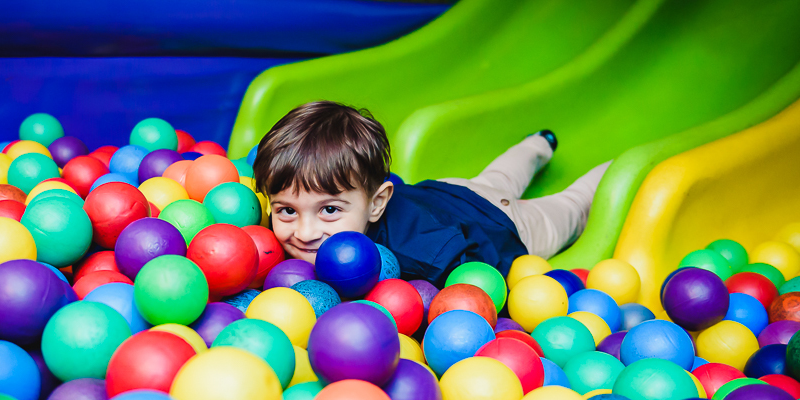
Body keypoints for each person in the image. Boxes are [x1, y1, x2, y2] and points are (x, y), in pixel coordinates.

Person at [252, 100, 609, 285]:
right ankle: (538, 144)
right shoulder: (356, 197)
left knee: (570, 207)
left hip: (503, 222)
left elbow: (476, 277)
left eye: (329, 211)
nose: (305, 233)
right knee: (497, 177)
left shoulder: (421, 255)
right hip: (449, 192)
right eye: (286, 211)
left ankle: (611, 169)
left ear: (377, 202)